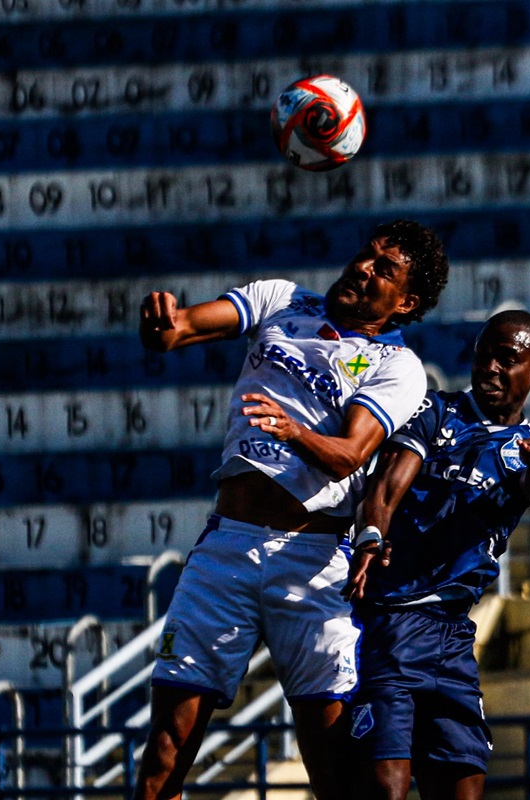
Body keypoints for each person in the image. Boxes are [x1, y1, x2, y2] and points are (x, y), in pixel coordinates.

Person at [131, 219, 449, 800]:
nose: (363, 267)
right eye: (366, 254)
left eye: (384, 269)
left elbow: (349, 455)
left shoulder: (397, 366)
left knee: (332, 769)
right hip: (226, 548)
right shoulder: (280, 299)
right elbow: (179, 331)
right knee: (164, 754)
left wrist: (293, 431)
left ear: (406, 302)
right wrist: (160, 324)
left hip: (314, 562)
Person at [342, 310, 530, 800]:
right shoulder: (436, 411)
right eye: (483, 356)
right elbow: (387, 486)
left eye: (506, 359)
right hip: (394, 620)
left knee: (463, 788)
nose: (490, 368)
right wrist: (371, 536)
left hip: (454, 636)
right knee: (385, 788)